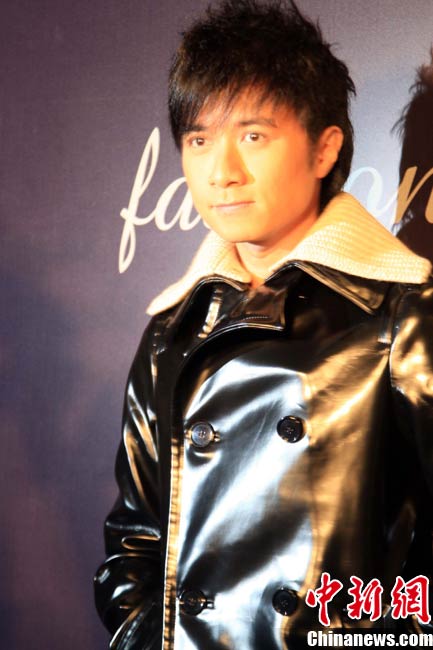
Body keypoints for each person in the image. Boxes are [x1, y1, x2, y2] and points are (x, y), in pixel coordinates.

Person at [94, 1, 433, 648]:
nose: (222, 172)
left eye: (253, 136)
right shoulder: (172, 330)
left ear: (324, 148)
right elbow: (134, 541)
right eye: (199, 140)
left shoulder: (401, 314)